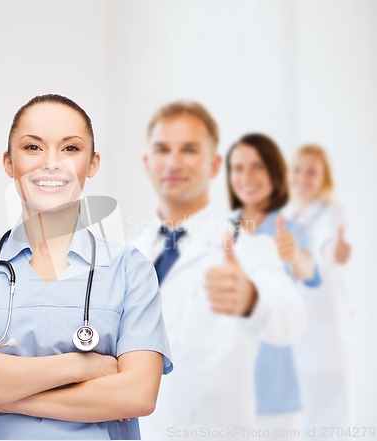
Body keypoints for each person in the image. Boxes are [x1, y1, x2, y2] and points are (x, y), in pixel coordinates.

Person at [0, 94, 172, 440]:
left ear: (93, 163)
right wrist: (82, 365)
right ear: (9, 163)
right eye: (33, 148)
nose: (51, 163)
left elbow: (137, 395)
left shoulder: (129, 269)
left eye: (70, 149)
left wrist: (6, 396)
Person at [132, 101, 307, 440]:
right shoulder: (129, 253)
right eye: (162, 149)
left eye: (189, 150)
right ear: (147, 162)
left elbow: (293, 319)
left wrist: (252, 300)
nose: (173, 162)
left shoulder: (247, 247)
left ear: (214, 165)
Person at [226, 133, 321, 438]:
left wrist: (295, 257)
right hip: (226, 387)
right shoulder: (220, 230)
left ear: (275, 173)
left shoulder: (290, 231)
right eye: (238, 168)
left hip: (276, 392)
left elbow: (310, 271)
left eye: (258, 167)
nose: (246, 177)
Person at [284, 144, 353, 432]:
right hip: (297, 331)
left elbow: (328, 247)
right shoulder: (287, 216)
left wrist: (336, 251)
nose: (303, 178)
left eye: (312, 172)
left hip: (323, 331)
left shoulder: (330, 213)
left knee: (328, 418)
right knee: (303, 418)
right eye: (297, 170)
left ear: (324, 178)